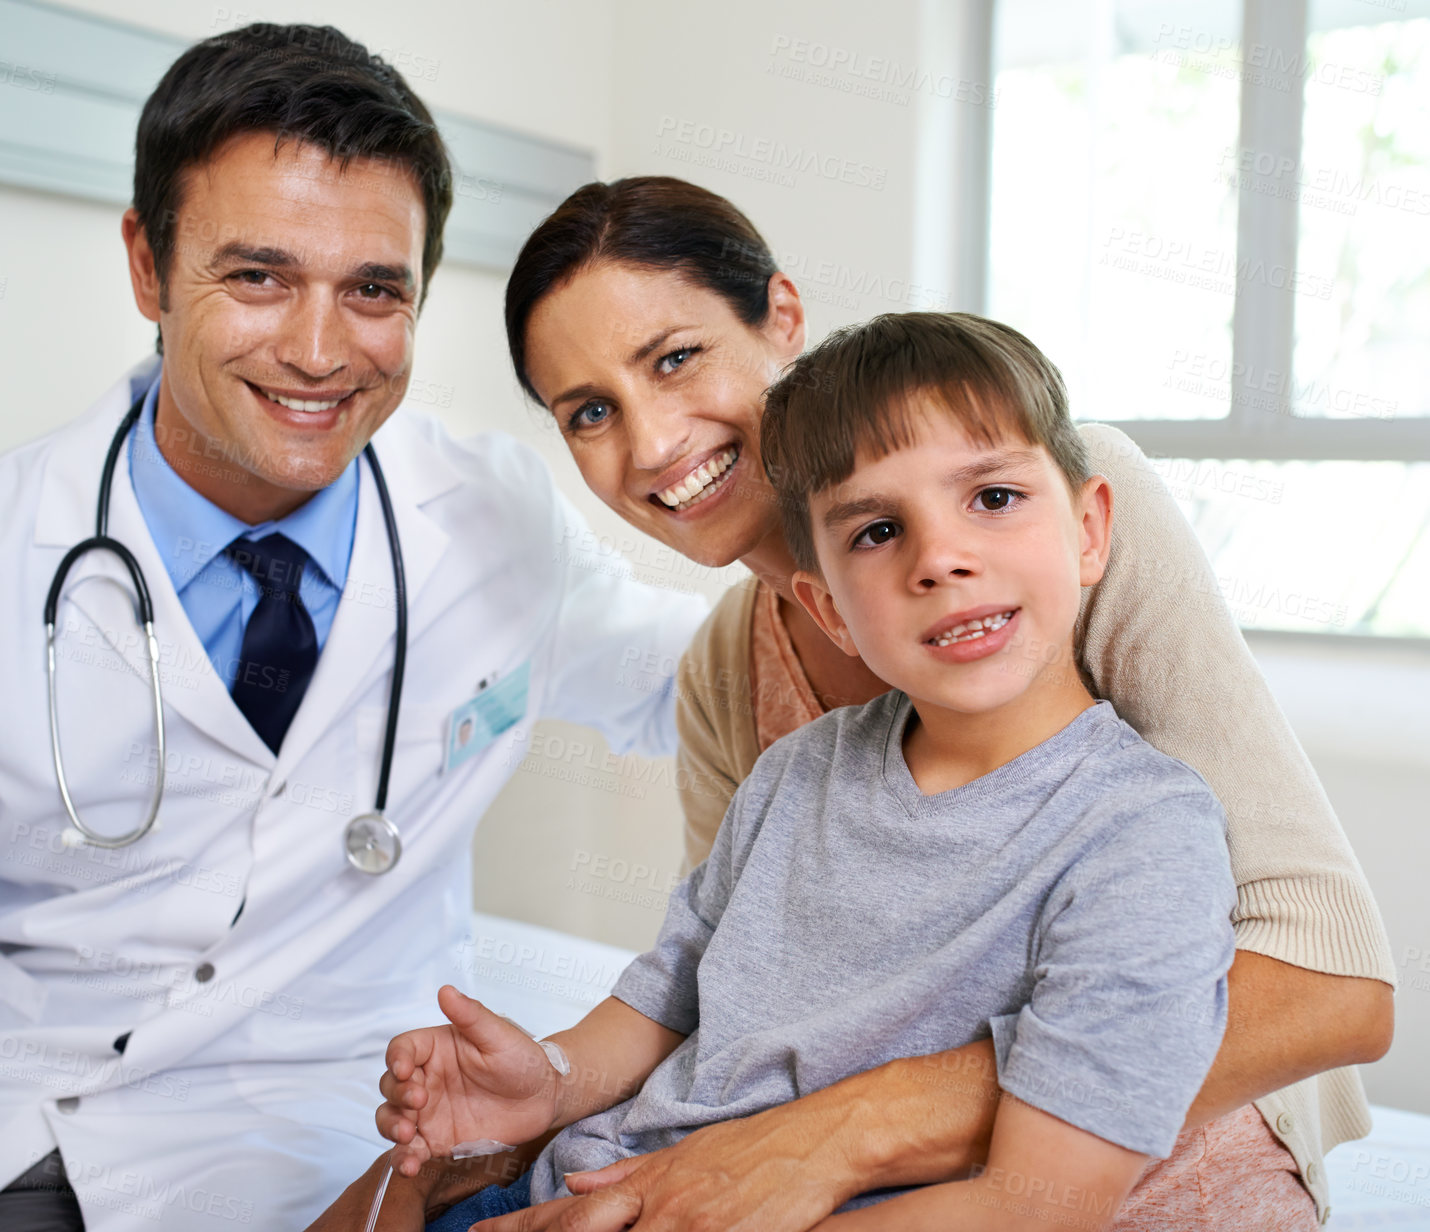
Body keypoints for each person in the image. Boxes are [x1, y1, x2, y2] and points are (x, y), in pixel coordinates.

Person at [316, 177, 1394, 1230]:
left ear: (779, 316)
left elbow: (1334, 987)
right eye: (591, 411)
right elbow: (720, 1002)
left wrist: (835, 1132)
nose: (650, 444)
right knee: (394, 1189)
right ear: (826, 608)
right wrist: (539, 1094)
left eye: (677, 356)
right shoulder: (735, 687)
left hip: (1125, 1157)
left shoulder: (1049, 513)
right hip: (780, 1164)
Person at [0, 28, 704, 1232]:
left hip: (369, 1120)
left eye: (374, 289)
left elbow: (698, 679)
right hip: (48, 1125)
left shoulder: (491, 517)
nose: (320, 351)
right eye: (258, 277)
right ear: (146, 262)